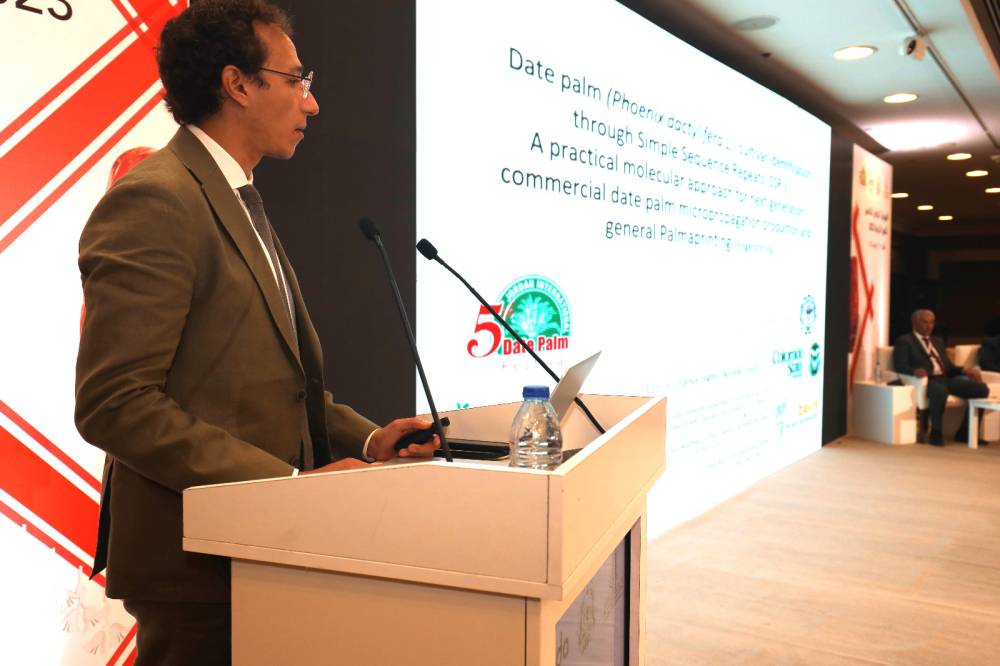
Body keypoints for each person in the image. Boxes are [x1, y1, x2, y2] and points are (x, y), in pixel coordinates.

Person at [74, 2, 438, 663]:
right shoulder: (156, 198)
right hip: (196, 567)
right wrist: (289, 486)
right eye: (297, 80)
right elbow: (114, 404)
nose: (312, 103)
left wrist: (369, 440)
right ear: (237, 83)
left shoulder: (236, 195)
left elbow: (279, 388)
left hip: (256, 551)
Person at [892, 309, 989, 446]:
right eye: (925, 322)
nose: (929, 326)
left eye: (931, 322)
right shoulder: (905, 341)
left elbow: (949, 367)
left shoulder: (937, 341)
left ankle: (965, 432)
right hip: (926, 380)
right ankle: (936, 432)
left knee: (981, 389)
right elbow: (899, 365)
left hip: (946, 379)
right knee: (940, 391)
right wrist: (914, 371)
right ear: (914, 323)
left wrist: (964, 370)